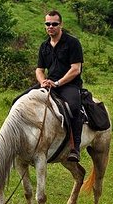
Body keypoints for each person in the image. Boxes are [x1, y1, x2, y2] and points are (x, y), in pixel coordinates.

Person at [36, 10, 84, 162]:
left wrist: (57, 83)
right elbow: (39, 69)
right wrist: (43, 81)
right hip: (49, 83)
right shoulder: (44, 46)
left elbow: (76, 69)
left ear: (61, 24)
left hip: (68, 84)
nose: (51, 27)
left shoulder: (72, 43)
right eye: (48, 24)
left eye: (54, 24)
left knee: (75, 107)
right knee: (19, 100)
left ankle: (75, 147)